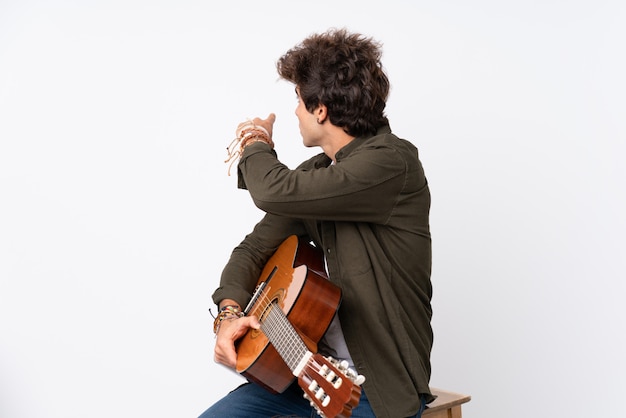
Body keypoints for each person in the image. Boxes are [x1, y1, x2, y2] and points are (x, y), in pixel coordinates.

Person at [199, 28, 434, 418]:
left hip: (378, 391)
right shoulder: (319, 174)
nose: (294, 111)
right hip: (301, 376)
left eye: (297, 100)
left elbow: (273, 190)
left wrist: (255, 141)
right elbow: (252, 251)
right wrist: (227, 314)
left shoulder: (392, 163)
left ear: (320, 108)